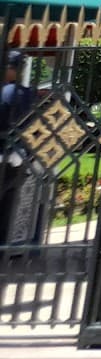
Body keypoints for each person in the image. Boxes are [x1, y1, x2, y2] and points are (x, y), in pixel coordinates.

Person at [0, 49, 43, 249]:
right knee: (7, 210)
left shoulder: (5, 92)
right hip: (20, 157)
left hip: (3, 153)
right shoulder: (29, 95)